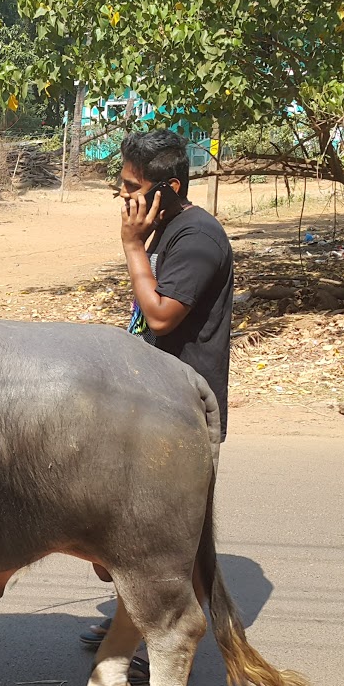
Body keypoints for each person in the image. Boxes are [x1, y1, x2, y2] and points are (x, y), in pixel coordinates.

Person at [81, 128, 235, 652]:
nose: (124, 198)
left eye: (132, 188)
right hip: (151, 404)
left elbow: (161, 315)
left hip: (181, 414)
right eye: (121, 186)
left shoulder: (197, 239)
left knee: (168, 538)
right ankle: (133, 624)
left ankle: (163, 644)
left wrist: (131, 247)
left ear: (168, 189)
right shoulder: (166, 228)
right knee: (127, 529)